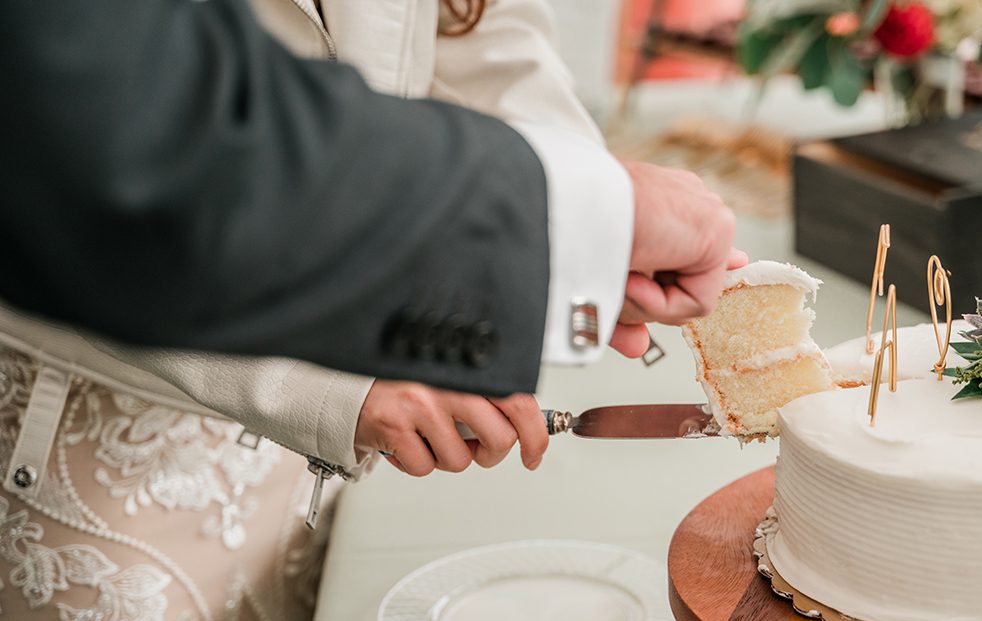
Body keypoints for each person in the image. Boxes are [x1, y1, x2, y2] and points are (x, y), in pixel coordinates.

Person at [0, 1, 742, 621]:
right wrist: (343, 376)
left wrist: (589, 239)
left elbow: (477, 26)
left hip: (336, 448)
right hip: (122, 468)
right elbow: (96, 147)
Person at [1, 0, 738, 390]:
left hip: (375, 319)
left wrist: (579, 245)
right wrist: (574, 219)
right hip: (114, 407)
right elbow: (126, 140)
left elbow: (472, 22)